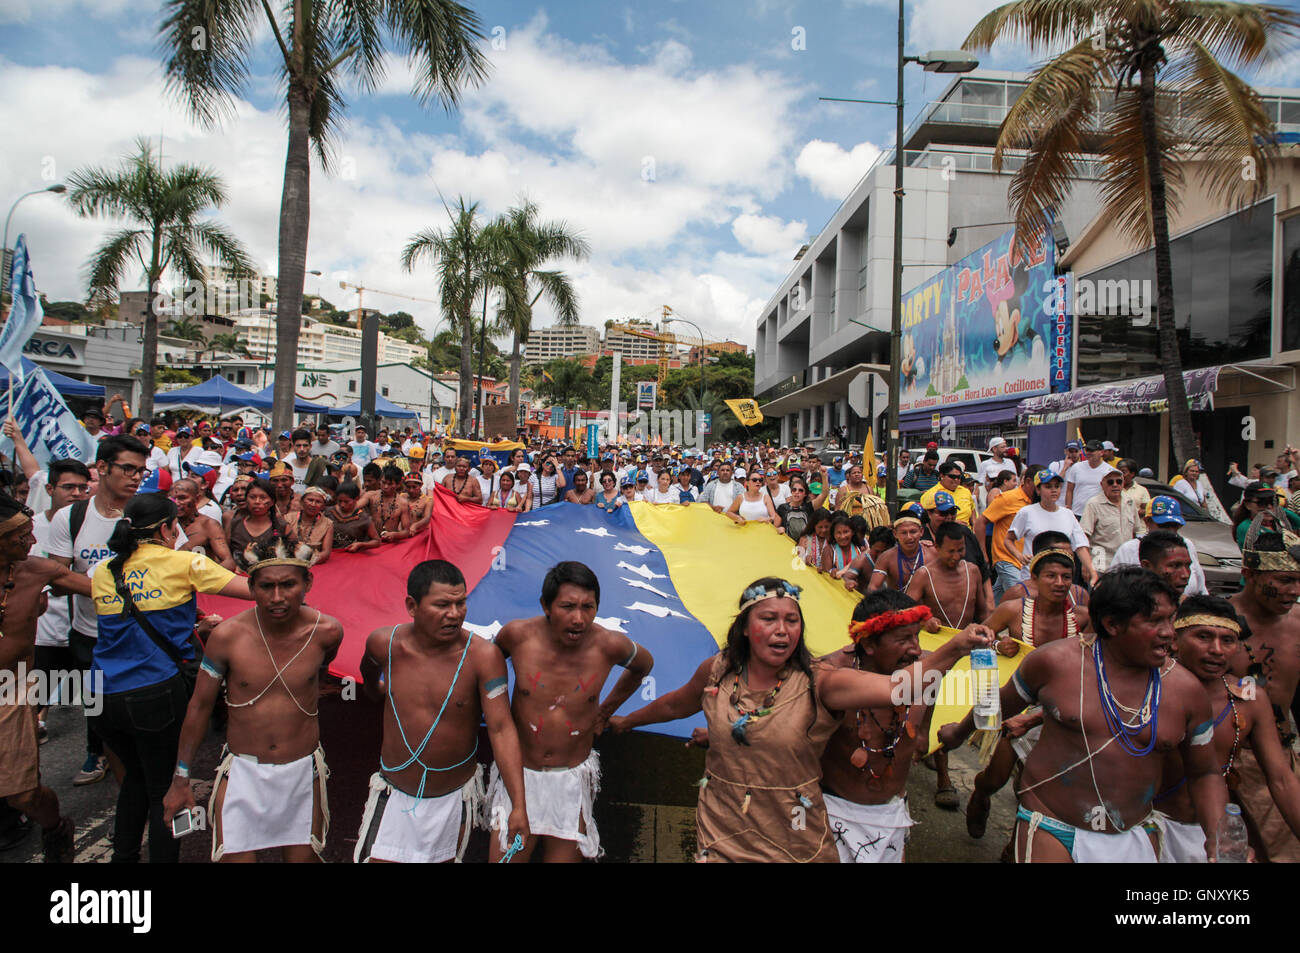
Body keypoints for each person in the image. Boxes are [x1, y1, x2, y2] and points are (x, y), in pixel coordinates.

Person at [611, 577, 992, 861]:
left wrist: (956, 650)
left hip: (799, 826)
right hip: (725, 824)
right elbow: (677, 703)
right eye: (768, 619)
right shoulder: (719, 669)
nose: (781, 630)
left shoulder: (820, 680)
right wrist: (625, 721)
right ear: (745, 626)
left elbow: (900, 692)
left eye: (791, 620)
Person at [940, 568, 1227, 863]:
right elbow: (998, 705)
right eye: (1154, 621)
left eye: (1170, 619)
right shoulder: (1055, 662)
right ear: (1112, 624)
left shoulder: (1186, 691)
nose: (1169, 632)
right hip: (1052, 823)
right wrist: (957, 733)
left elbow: (1205, 772)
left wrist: (1218, 838)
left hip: (1133, 834)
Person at [92, 493, 252, 862]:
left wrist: (193, 622)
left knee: (135, 778)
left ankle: (124, 858)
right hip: (152, 693)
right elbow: (256, 589)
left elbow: (131, 623)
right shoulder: (184, 562)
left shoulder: (104, 571)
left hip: (100, 695)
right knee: (169, 788)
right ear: (167, 529)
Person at [163, 541, 342, 862]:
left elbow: (321, 673)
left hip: (301, 771)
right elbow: (199, 707)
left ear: (307, 584)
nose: (276, 597)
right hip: (244, 771)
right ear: (251, 586)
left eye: (288, 585)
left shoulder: (326, 632)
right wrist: (180, 779)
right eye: (266, 586)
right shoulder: (227, 637)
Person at [353, 560, 529, 863]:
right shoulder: (385, 644)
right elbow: (368, 675)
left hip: (451, 799)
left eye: (461, 603)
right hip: (394, 792)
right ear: (412, 605)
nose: (455, 614)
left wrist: (518, 805)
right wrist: (376, 691)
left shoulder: (483, 657)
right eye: (442, 604)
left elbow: (501, 728)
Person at [488, 562, 654, 861]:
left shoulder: (609, 645)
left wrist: (604, 712)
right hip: (519, 775)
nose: (579, 618)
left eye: (588, 607)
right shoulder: (516, 636)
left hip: (571, 780)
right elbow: (485, 667)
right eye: (567, 606)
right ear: (546, 605)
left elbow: (644, 665)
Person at [1154, 595, 1300, 862]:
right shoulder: (1149, 687)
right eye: (1203, 637)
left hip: (1211, 832)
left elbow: (1281, 778)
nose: (1217, 650)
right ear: (1175, 640)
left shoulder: (1250, 698)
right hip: (1150, 828)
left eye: (1228, 640)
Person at [962, 549, 1091, 842]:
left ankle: (1016, 847)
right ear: (1034, 578)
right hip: (1016, 703)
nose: (1059, 583)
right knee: (995, 778)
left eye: (1066, 577)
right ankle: (981, 794)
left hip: (1057, 710)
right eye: (1051, 576)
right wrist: (997, 648)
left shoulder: (1082, 618)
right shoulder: (1013, 610)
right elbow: (975, 645)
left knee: (1037, 786)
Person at [48, 434, 151, 786]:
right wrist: (122, 589)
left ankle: (139, 796)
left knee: (140, 723)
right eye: (128, 468)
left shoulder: (150, 512)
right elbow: (58, 578)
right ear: (102, 468)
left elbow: (171, 573)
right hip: (88, 637)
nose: (136, 477)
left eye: (142, 471)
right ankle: (104, 760)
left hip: (139, 640)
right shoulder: (70, 517)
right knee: (99, 713)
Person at [0, 491, 94, 861]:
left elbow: (101, 591)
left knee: (23, 793)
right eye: (21, 538)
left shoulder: (35, 571)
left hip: (10, 692)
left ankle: (56, 828)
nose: (34, 541)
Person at [1228, 528, 1300, 861]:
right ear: (1249, 574)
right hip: (1231, 764)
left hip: (1285, 759)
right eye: (1284, 580)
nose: (1294, 590)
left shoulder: (1298, 622)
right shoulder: (1218, 627)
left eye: (1299, 580)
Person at [1007, 468, 1097, 586]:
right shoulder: (1026, 512)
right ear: (1038, 490)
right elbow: (1008, 539)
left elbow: (1080, 546)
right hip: (1032, 577)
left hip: (1061, 580)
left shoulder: (1068, 514)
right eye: (1048, 487)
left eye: (1057, 486)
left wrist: (1092, 572)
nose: (1054, 490)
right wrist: (1020, 556)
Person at [1110, 496, 1210, 598]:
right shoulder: (1129, 549)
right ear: (1147, 521)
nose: (1170, 531)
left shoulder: (1186, 545)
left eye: (1174, 525)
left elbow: (1201, 588)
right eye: (1164, 525)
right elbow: (1114, 591)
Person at [907, 521, 988, 631]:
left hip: (967, 641)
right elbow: (906, 609)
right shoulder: (925, 574)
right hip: (936, 643)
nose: (956, 556)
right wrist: (925, 620)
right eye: (950, 551)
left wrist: (991, 638)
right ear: (937, 547)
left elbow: (983, 613)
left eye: (960, 550)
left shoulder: (972, 571)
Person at [976, 464, 1040, 602]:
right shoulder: (1007, 498)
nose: (1042, 490)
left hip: (1026, 562)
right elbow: (981, 522)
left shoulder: (1038, 502)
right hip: (1006, 558)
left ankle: (985, 616)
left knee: (997, 598)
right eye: (1039, 485)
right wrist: (983, 553)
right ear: (1028, 482)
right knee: (1022, 600)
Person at [1079, 465, 1140, 572]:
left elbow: (1136, 532)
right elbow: (1084, 537)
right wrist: (1086, 566)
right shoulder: (1093, 504)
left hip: (1126, 566)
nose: (1115, 485)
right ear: (1102, 484)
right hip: (1101, 565)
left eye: (1119, 481)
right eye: (1110, 482)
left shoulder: (1130, 502)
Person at [863, 508, 935, 593]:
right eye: (904, 533)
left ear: (921, 531)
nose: (909, 537)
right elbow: (873, 587)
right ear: (895, 534)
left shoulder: (933, 553)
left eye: (913, 532)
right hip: (896, 605)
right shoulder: (886, 557)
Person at [170, 478, 236, 570]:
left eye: (182, 498)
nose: (176, 503)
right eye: (173, 498)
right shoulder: (165, 525)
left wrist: (206, 580)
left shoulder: (208, 525)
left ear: (196, 499)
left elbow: (228, 561)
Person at [1063, 439, 1118, 517]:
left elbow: (1113, 493)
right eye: (1087, 450)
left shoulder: (1110, 471)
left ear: (1101, 452)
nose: (1088, 453)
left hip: (1099, 515)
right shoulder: (1076, 467)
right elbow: (1069, 490)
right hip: (1077, 513)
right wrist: (1068, 508)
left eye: (1092, 450)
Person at [284, 485, 334, 564]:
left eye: (318, 502)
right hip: (289, 562)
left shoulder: (328, 524)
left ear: (323, 506)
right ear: (302, 501)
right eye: (310, 500)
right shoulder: (288, 518)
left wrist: (308, 562)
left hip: (313, 563)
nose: (313, 504)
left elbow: (326, 553)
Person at [327, 482, 382, 553]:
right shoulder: (328, 512)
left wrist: (361, 544)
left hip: (352, 557)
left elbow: (377, 541)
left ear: (356, 499)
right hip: (330, 555)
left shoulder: (363, 518)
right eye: (340, 501)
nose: (342, 505)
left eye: (346, 501)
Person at [834, 464, 889, 529]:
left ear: (862, 475)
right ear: (849, 476)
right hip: (848, 524)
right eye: (854, 473)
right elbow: (838, 509)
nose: (856, 474)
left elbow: (873, 509)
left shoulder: (869, 489)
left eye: (859, 472)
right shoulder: (843, 490)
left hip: (866, 524)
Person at [371, 465, 414, 541]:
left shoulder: (403, 503)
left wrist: (395, 535)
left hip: (390, 545)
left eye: (390, 484)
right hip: (370, 542)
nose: (386, 486)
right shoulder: (370, 496)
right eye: (383, 482)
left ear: (398, 485)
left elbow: (406, 531)